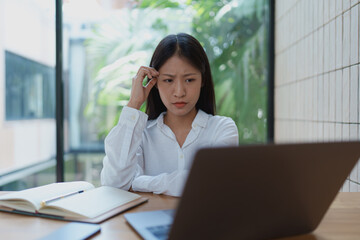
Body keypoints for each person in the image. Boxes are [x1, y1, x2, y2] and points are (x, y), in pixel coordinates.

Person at [100, 33, 239, 197]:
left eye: (189, 80)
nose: (179, 92)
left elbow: (211, 182)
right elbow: (113, 184)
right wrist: (134, 103)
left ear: (203, 80)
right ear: (155, 82)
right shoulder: (142, 133)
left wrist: (138, 182)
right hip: (148, 220)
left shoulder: (222, 129)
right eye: (168, 80)